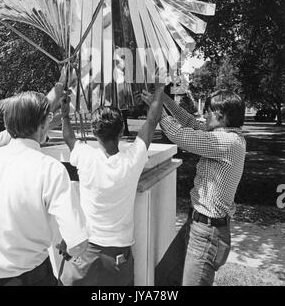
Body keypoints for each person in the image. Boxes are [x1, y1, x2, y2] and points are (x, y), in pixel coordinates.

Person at [59, 82, 165, 286]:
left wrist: (65, 115)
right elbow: (152, 121)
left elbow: (68, 137)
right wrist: (159, 88)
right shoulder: (132, 160)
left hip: (84, 250)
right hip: (118, 254)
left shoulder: (84, 156)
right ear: (121, 131)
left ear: (94, 132)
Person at [141, 88, 246, 286]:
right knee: (164, 278)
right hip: (196, 225)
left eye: (208, 111)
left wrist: (157, 110)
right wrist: (165, 100)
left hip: (208, 234)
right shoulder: (220, 133)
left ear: (222, 116)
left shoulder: (227, 142)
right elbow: (188, 121)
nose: (204, 114)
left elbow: (179, 134)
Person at [0, 91, 88, 286]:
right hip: (31, 277)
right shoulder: (50, 169)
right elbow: (77, 242)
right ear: (42, 125)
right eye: (48, 119)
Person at [0, 68, 67, 152]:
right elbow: (37, 114)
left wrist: (64, 113)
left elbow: (41, 122)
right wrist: (61, 83)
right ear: (7, 120)